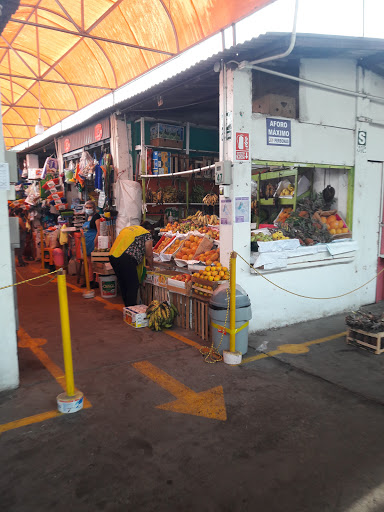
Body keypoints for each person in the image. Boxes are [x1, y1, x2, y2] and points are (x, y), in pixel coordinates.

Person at [109, 225, 153, 307]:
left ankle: (127, 309)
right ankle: (131, 309)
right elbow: (149, 253)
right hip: (126, 258)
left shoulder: (131, 229)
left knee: (123, 283)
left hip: (113, 255)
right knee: (133, 285)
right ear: (149, 230)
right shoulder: (147, 234)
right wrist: (151, 265)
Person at [82, 200, 101, 288]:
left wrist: (95, 241)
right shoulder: (87, 217)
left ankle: (96, 281)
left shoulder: (96, 217)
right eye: (87, 208)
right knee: (89, 262)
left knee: (95, 262)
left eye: (90, 208)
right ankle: (90, 280)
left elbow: (98, 231)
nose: (88, 209)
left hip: (93, 241)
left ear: (94, 208)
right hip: (86, 242)